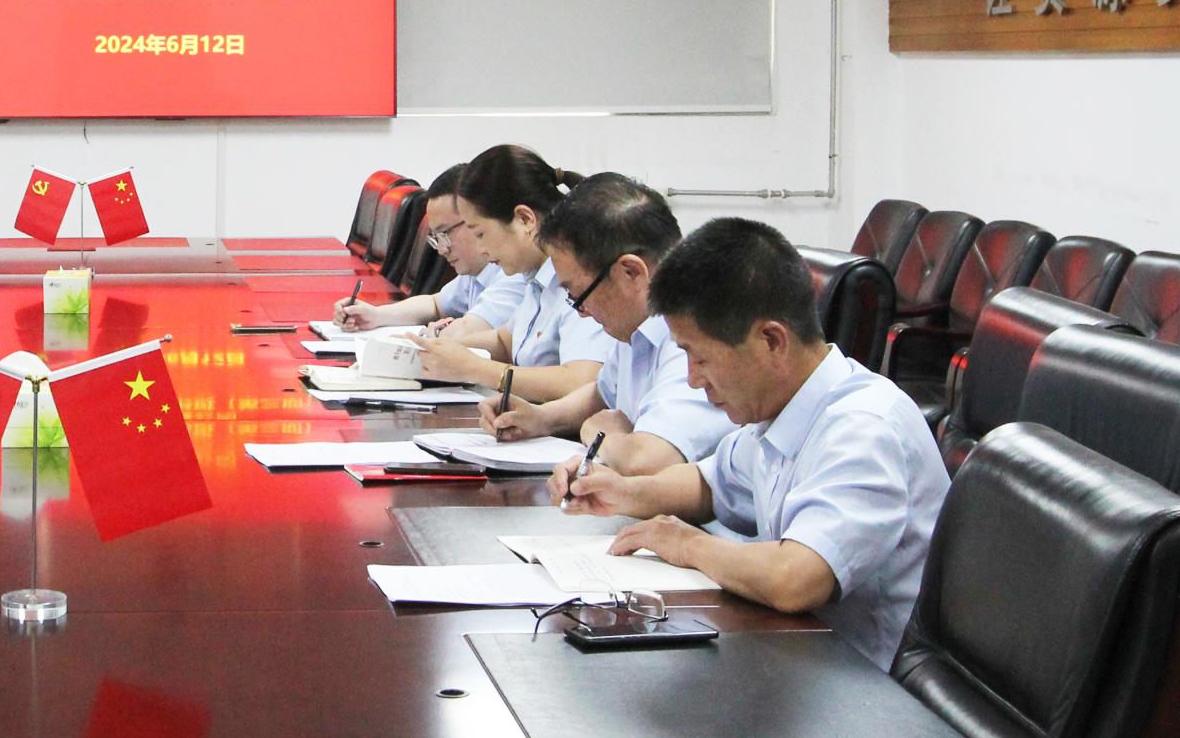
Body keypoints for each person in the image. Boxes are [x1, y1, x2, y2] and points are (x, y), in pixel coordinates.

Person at [551, 218, 948, 669]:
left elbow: (794, 579)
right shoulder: (780, 407)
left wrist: (686, 544)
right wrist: (620, 492)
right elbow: (710, 484)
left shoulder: (864, 429)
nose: (693, 379)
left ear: (771, 340)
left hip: (862, 681)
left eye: (700, 357)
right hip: (798, 653)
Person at [482, 173, 733, 475]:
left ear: (631, 272)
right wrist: (540, 418)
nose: (580, 312)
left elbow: (646, 461)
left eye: (578, 295)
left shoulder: (695, 337)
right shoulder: (636, 326)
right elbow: (602, 393)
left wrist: (598, 433)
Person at [406, 145, 615, 403]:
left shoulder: (581, 277)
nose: (481, 248)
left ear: (525, 220)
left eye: (480, 233)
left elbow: (581, 381)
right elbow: (505, 341)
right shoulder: (534, 276)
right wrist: (439, 351)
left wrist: (474, 368)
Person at [333, 164, 525, 333]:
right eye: (436, 238)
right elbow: (436, 304)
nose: (441, 250)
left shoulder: (513, 273)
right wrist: (375, 315)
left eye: (445, 233)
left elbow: (468, 332)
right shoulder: (477, 269)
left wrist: (437, 334)